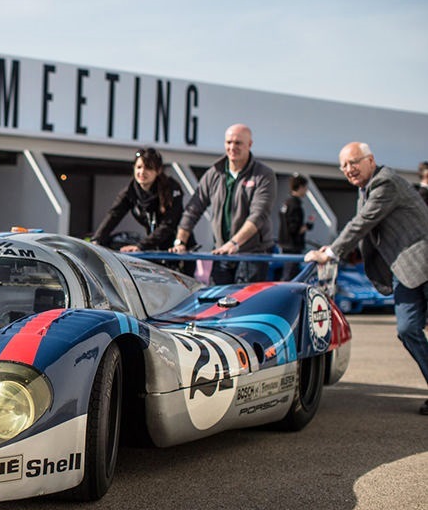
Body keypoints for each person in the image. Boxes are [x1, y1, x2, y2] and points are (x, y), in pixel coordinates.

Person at [305, 142, 428, 416]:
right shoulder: (365, 190)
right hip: (405, 273)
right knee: (408, 330)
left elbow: (363, 222)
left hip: (424, 264)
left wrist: (333, 252)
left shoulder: (386, 182)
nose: (349, 169)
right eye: (344, 165)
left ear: (371, 160)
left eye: (354, 162)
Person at [169, 123, 277, 284]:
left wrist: (234, 243)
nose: (232, 147)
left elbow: (258, 215)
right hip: (222, 253)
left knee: (245, 305)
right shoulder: (214, 173)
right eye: (228, 142)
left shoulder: (264, 175)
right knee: (218, 303)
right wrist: (180, 241)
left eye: (238, 143)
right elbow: (193, 208)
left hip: (253, 255)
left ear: (250, 144)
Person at [90, 147, 194, 273]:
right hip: (153, 250)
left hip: (178, 251)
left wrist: (141, 246)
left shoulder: (172, 189)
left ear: (158, 170)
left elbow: (168, 225)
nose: (142, 172)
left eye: (148, 168)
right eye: (139, 167)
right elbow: (114, 215)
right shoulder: (130, 191)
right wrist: (96, 241)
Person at [278, 173, 314, 279]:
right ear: (301, 187)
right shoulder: (295, 205)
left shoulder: (286, 203)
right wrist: (307, 226)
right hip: (293, 246)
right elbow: (294, 229)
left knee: (287, 273)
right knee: (290, 276)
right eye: (305, 188)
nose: (306, 191)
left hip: (284, 244)